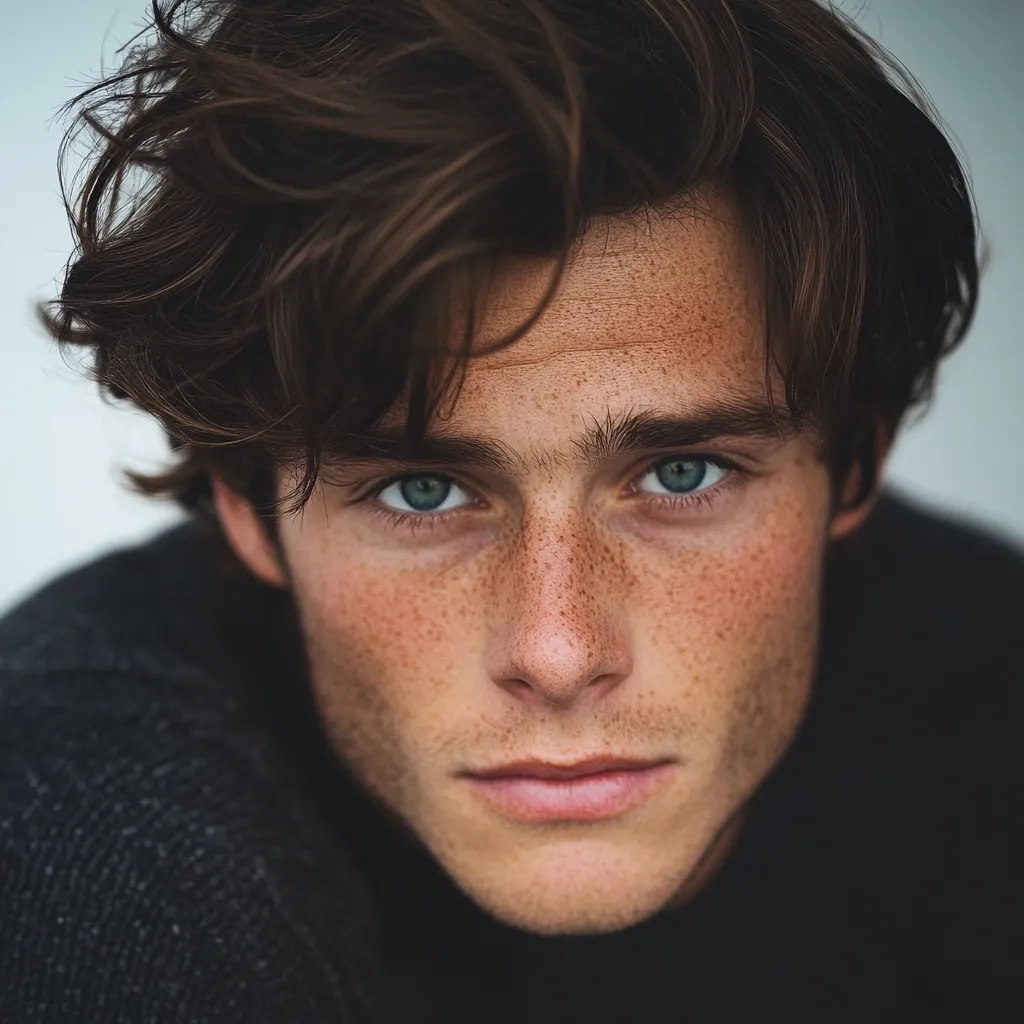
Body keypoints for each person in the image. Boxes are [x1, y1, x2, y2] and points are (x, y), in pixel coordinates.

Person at [1, 0, 1020, 1020]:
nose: (559, 650)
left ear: (854, 464)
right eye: (423, 490)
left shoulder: (990, 707)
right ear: (244, 506)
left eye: (682, 474)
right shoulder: (90, 835)